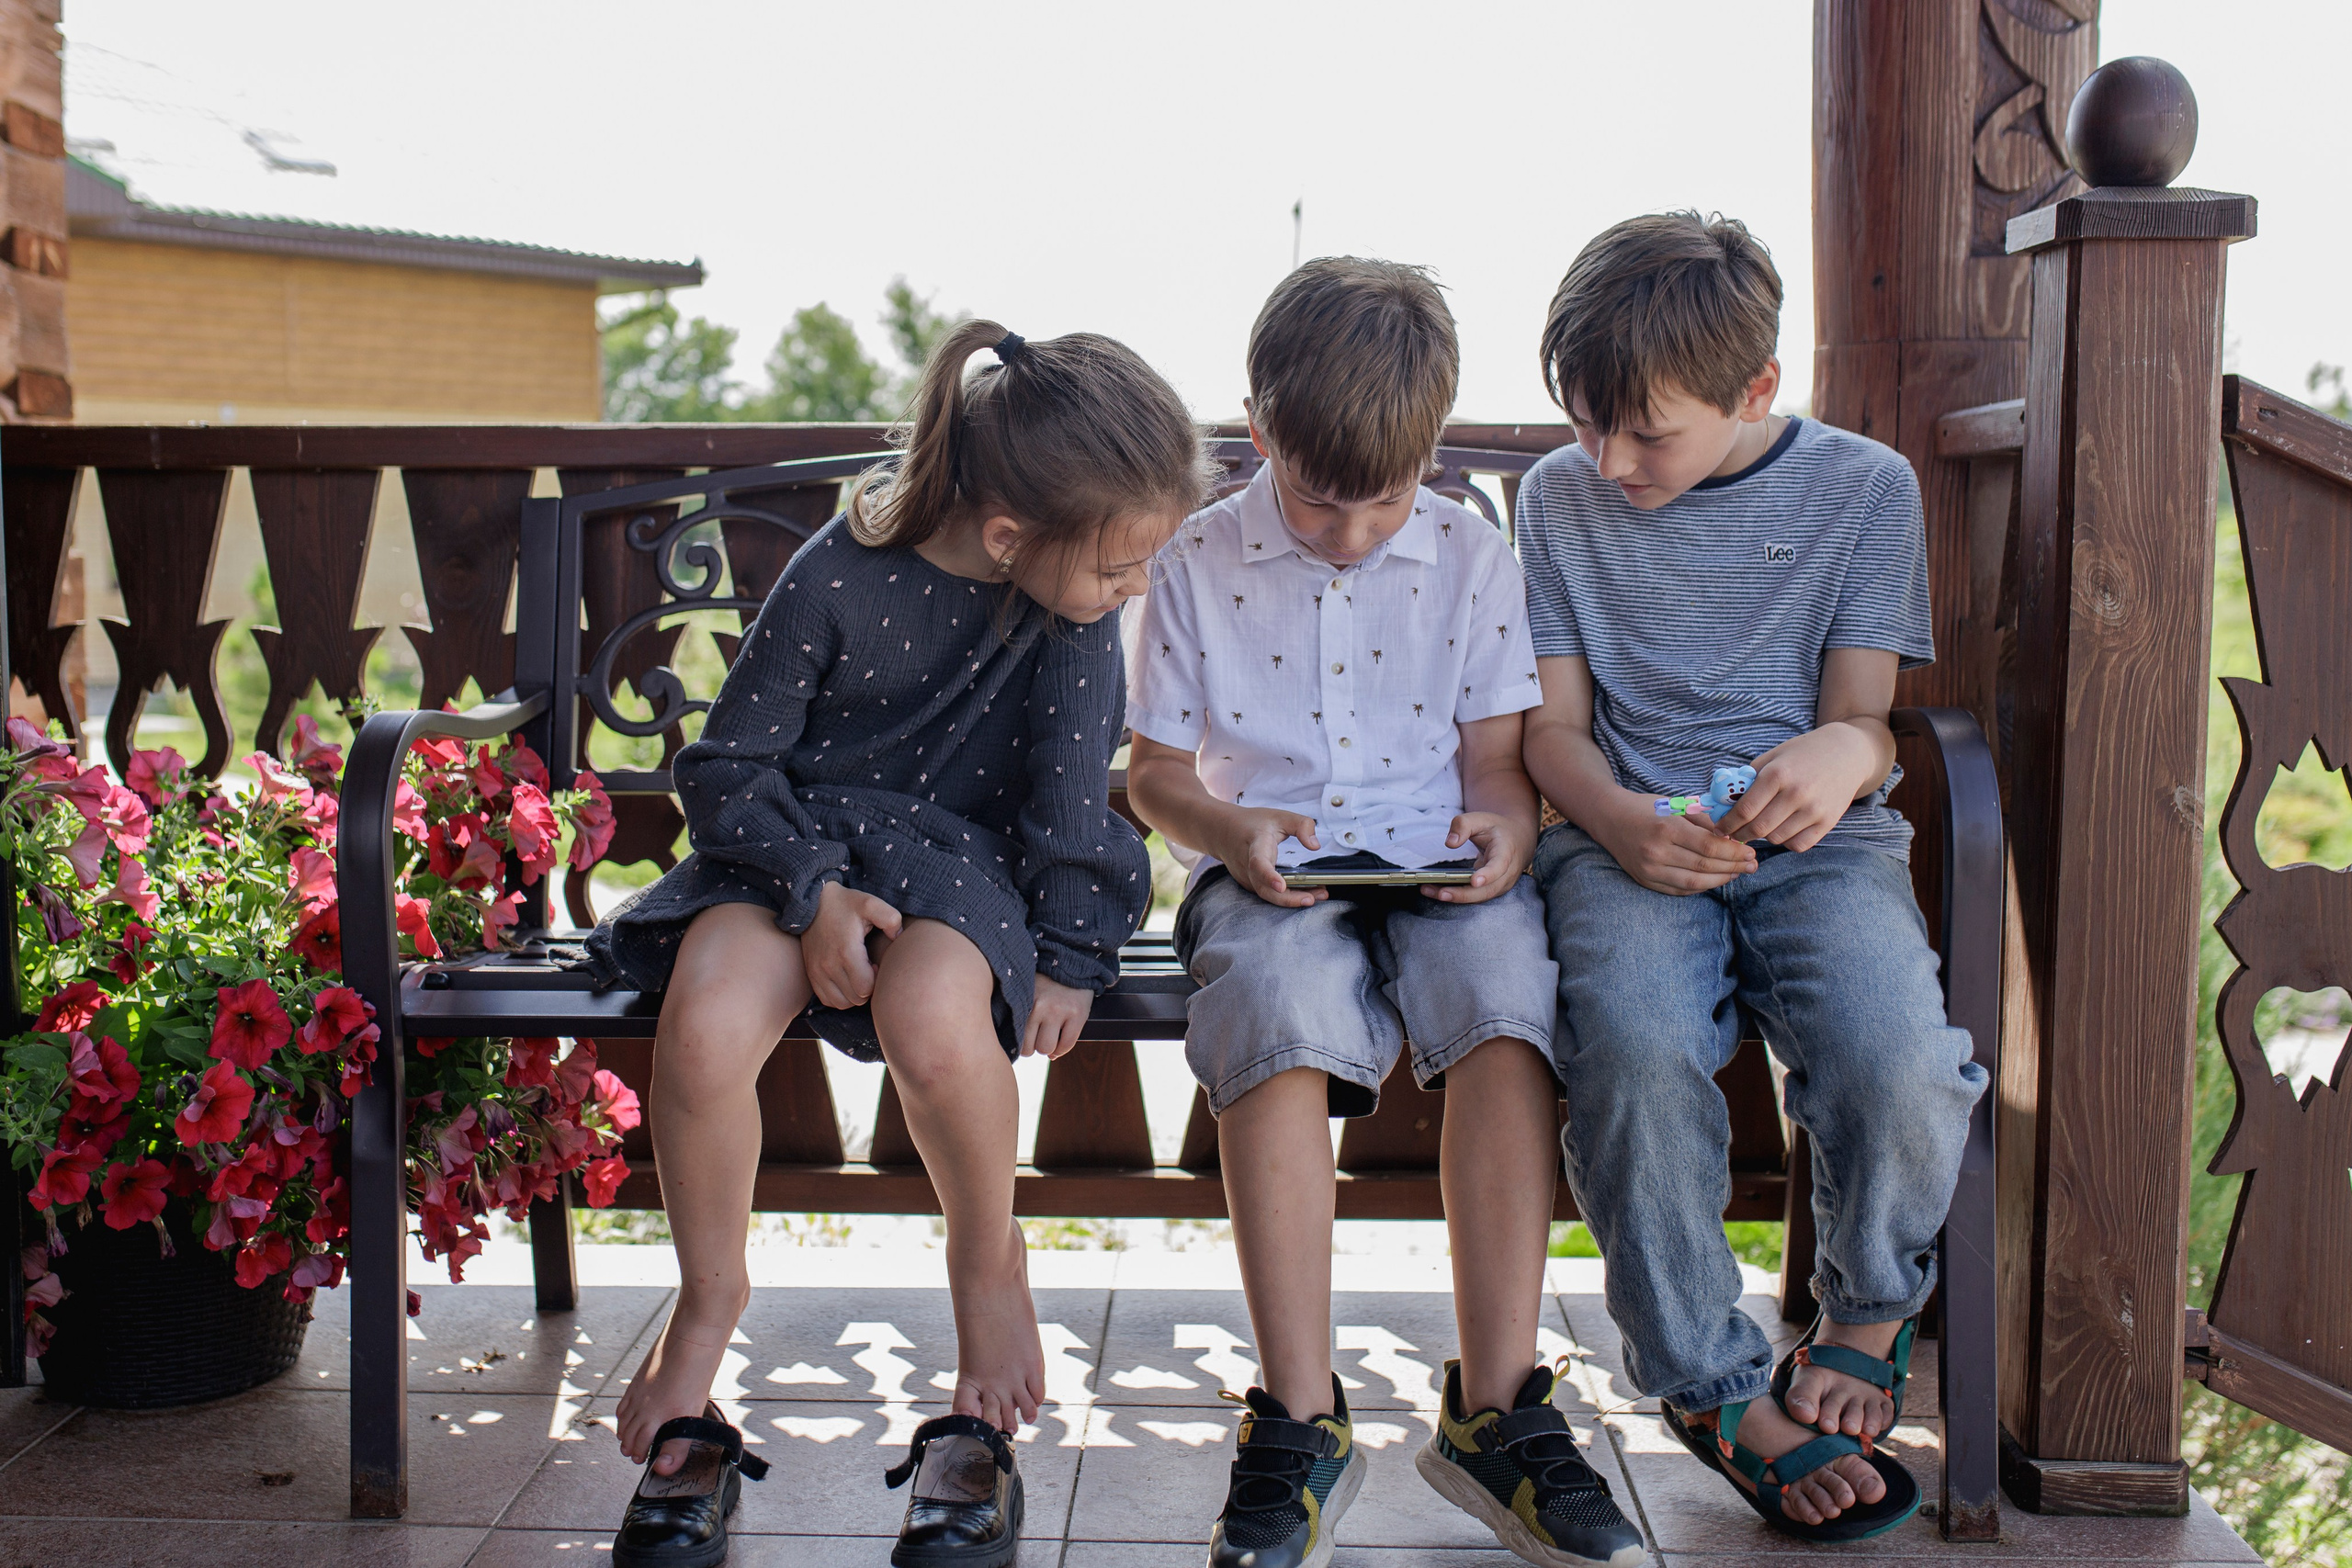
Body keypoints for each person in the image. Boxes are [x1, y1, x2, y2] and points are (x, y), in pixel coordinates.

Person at [587, 319, 1216, 1568]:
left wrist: (1077, 951)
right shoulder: (839, 572)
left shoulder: (1069, 615)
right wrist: (812, 893)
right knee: (705, 1022)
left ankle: (988, 1266)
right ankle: (710, 1298)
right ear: (1004, 535)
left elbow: (1063, 799)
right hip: (789, 846)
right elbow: (728, 766)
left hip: (956, 869)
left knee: (934, 1022)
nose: (1133, 589)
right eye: (1121, 567)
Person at [1126, 257, 1645, 1568]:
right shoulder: (1196, 560)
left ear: (1433, 455)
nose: (1352, 532)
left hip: (1434, 864)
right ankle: (1301, 1416)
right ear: (1261, 436)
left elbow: (1496, 767)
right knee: (1278, 1008)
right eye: (1317, 499)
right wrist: (1232, 833)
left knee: (1507, 999)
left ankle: (1495, 1405)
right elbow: (1157, 775)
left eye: (1385, 499)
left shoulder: (1471, 555)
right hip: (1268, 874)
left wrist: (1507, 831)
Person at [1514, 211, 1989, 1545]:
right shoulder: (1557, 499)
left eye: (1646, 433)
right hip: (1623, 841)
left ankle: (1867, 1307)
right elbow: (1551, 731)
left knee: (1896, 1047)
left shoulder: (1863, 487)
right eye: (1585, 423)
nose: (1608, 463)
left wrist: (1840, 756)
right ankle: (1711, 1384)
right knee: (1635, 1050)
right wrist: (1615, 824)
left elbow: (1864, 716)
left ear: (1757, 392)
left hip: (1818, 848)